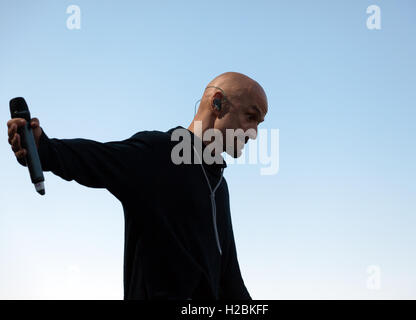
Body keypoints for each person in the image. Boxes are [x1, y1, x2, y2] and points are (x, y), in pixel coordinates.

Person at [6, 71, 268, 300]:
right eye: (250, 116)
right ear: (218, 103)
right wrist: (42, 148)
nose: (254, 131)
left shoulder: (220, 188)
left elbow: (230, 282)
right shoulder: (159, 153)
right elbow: (95, 159)